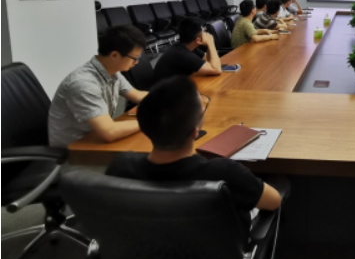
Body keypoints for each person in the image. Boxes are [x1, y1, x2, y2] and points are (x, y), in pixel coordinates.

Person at [106, 76, 282, 232]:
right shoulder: (225, 173)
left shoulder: (120, 166)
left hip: (144, 251)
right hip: (216, 254)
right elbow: (274, 201)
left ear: (144, 127)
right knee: (280, 182)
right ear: (195, 132)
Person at [48, 25, 149, 148]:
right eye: (135, 58)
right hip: (75, 150)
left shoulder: (112, 72)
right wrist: (149, 122)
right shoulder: (83, 84)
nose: (137, 62)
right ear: (114, 55)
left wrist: (166, 99)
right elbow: (110, 132)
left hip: (97, 138)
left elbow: (138, 95)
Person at [153, 18, 222, 82]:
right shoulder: (182, 54)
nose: (206, 34)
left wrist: (208, 45)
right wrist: (210, 43)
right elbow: (216, 70)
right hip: (168, 90)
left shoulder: (186, 46)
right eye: (203, 33)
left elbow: (208, 59)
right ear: (198, 40)